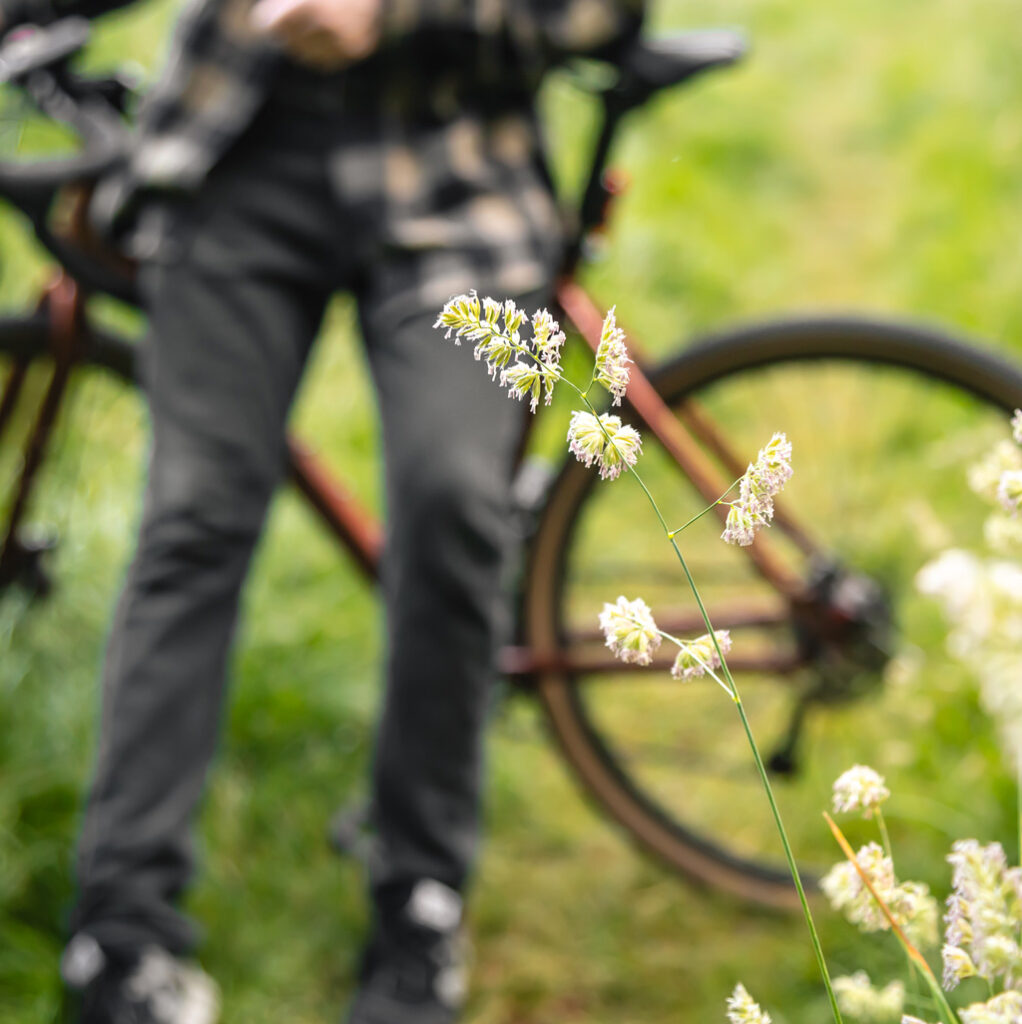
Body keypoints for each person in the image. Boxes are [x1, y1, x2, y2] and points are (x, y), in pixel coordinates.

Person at [1, 0, 645, 1020]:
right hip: (234, 161)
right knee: (193, 518)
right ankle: (120, 935)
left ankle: (420, 901)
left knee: (451, 504)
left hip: (454, 180)